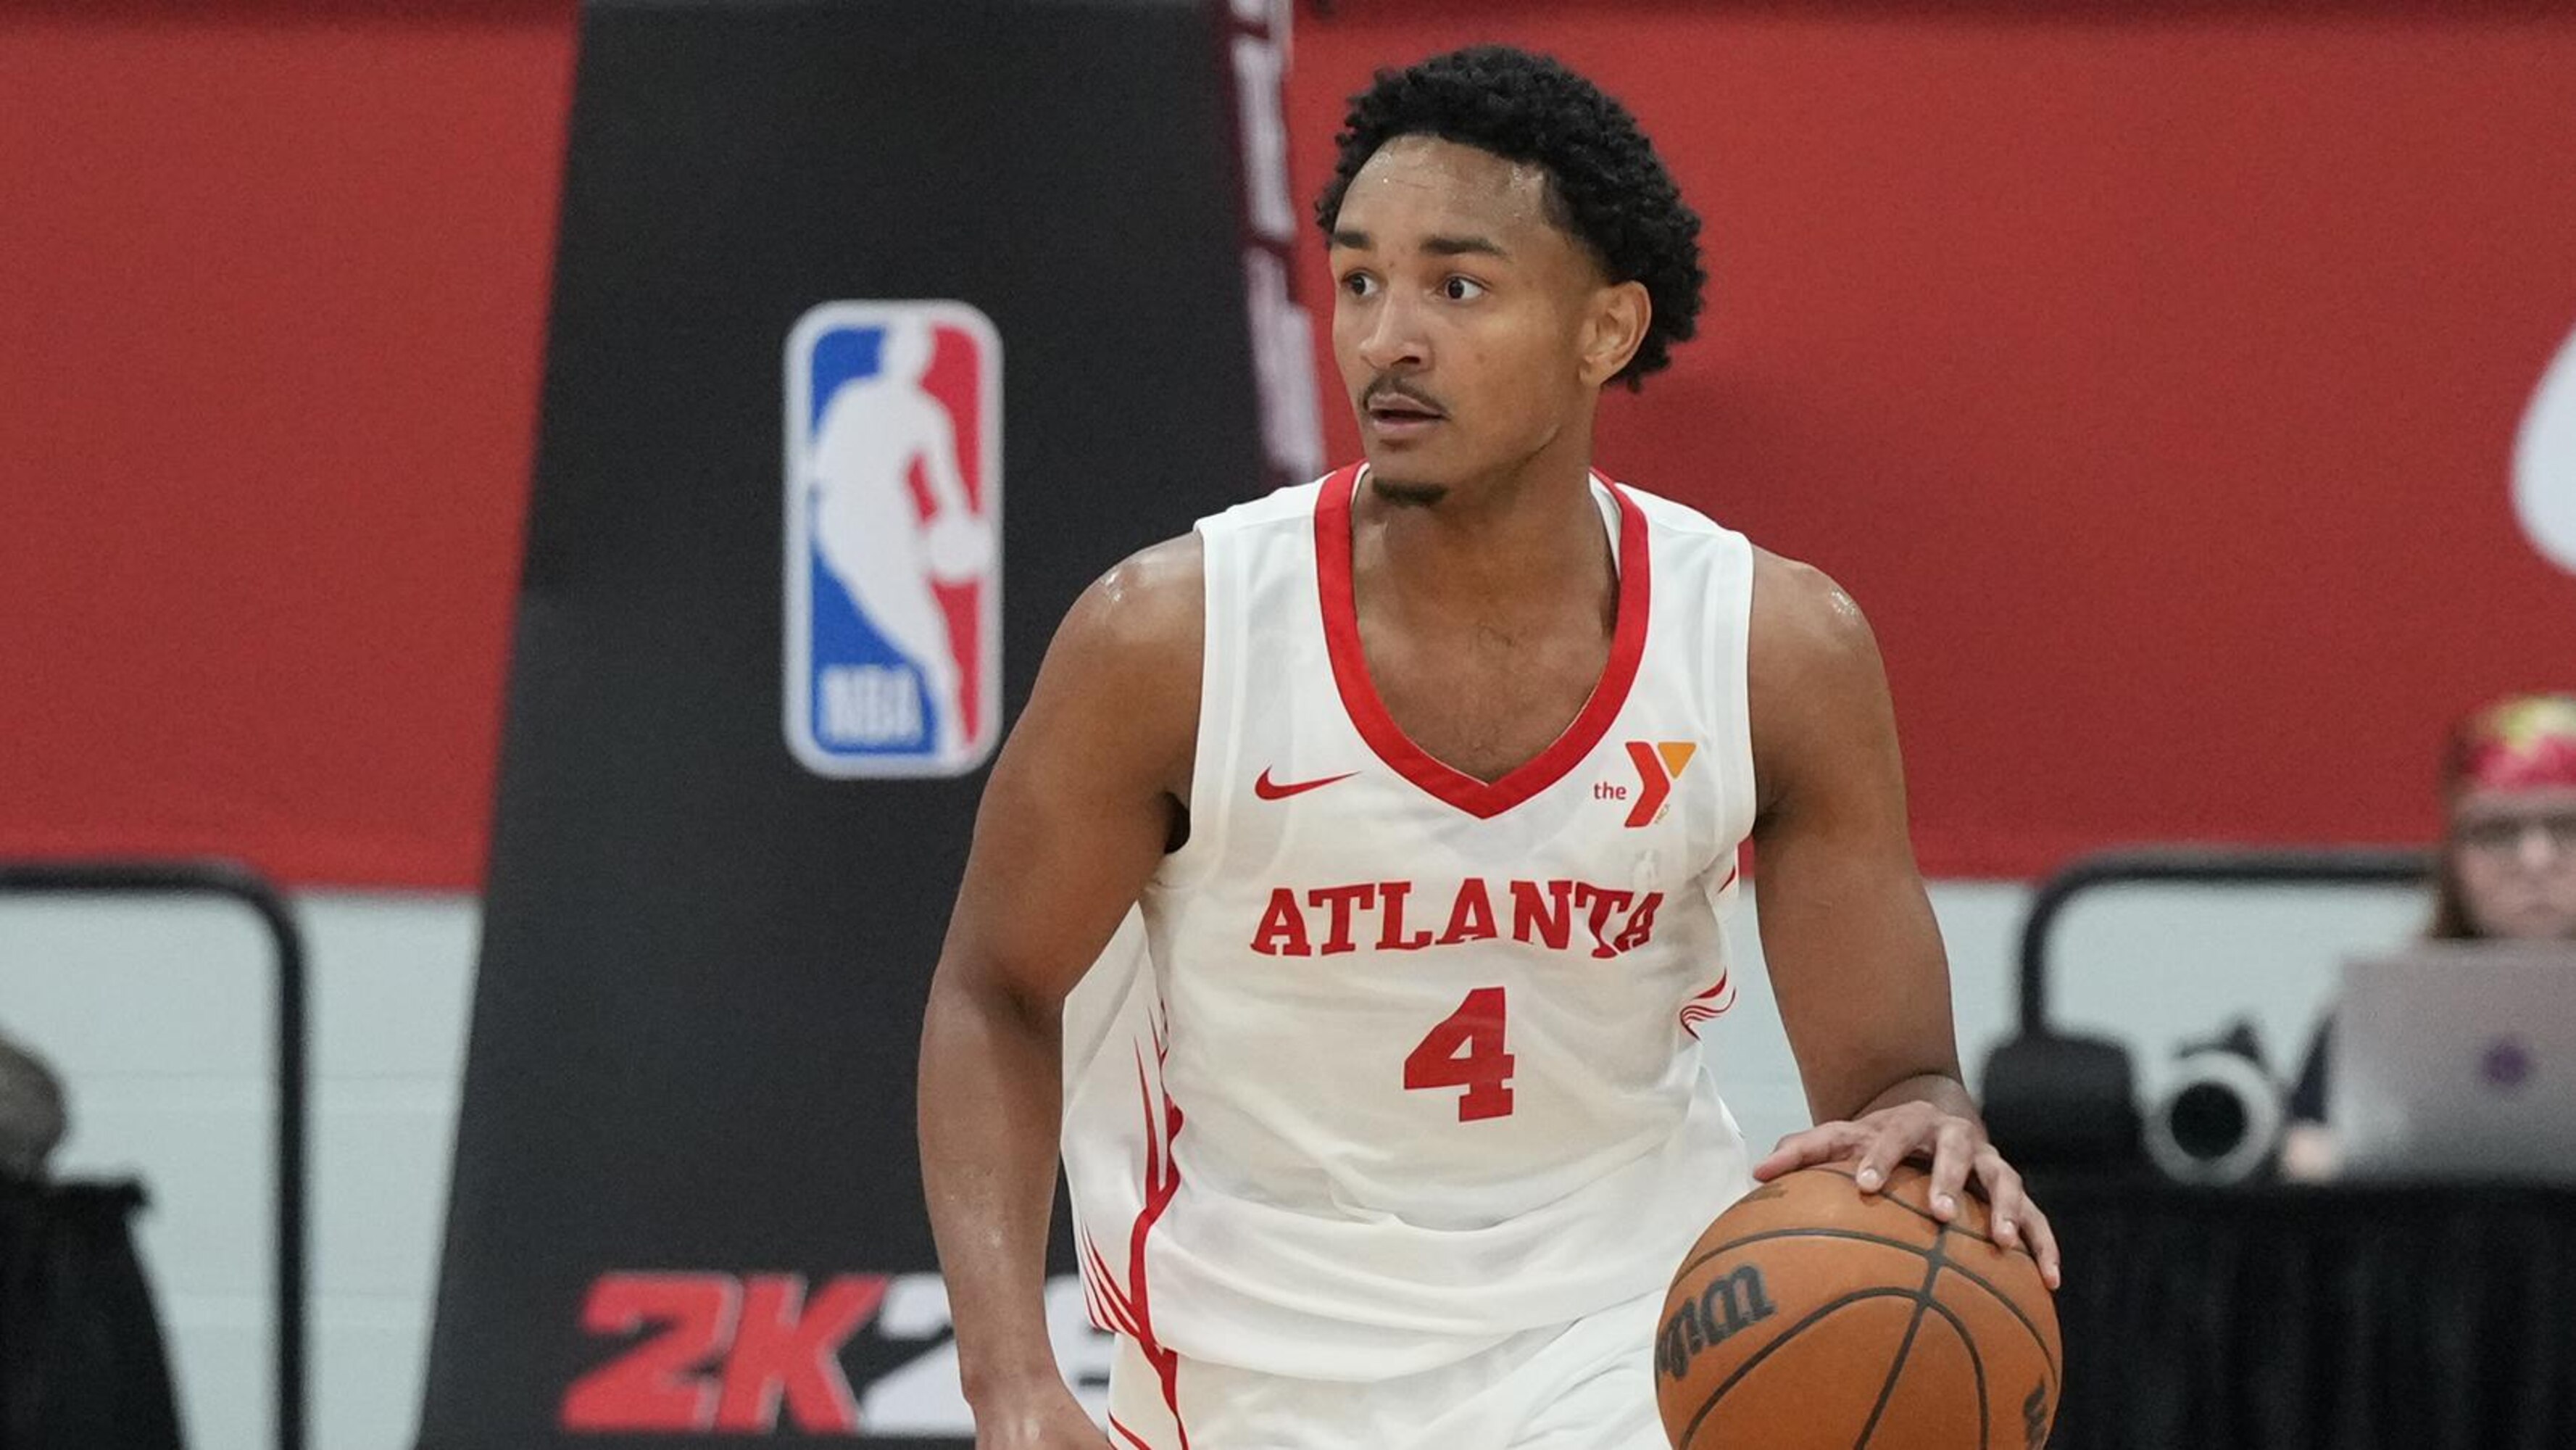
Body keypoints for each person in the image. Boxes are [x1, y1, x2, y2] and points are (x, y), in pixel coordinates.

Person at [917, 46, 2057, 1450]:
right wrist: (1009, 1382)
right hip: (1249, 1354)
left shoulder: (1770, 649)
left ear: (1605, 328)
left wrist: (1932, 1124)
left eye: (1455, 287)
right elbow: (993, 990)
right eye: (1358, 281)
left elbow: (1889, 1078)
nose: (1386, 339)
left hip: (1624, 1336)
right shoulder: (1170, 638)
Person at [2280, 692, 2576, 1178]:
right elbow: (2304, 1152)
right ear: (2454, 857)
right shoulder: (2377, 1013)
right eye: (2497, 833)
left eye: (2568, 828)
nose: (2535, 861)